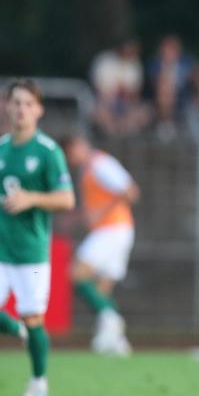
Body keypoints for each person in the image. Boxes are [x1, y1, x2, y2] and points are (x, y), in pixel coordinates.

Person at [0, 79, 75, 396]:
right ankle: (16, 330)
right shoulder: (1, 148)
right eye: (16, 102)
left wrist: (32, 198)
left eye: (28, 103)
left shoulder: (48, 152)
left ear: (39, 110)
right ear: (7, 106)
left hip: (31, 252)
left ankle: (39, 379)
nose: (21, 109)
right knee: (24, 323)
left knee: (34, 318)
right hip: (1, 248)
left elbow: (67, 199)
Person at [62, 135, 138, 356]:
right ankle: (117, 341)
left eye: (69, 154)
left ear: (77, 146)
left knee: (77, 273)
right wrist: (76, 218)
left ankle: (112, 320)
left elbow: (130, 191)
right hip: (117, 229)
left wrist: (100, 213)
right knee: (102, 288)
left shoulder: (100, 163)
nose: (70, 160)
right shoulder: (89, 168)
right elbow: (95, 207)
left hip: (112, 229)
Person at [146, 34, 199, 140]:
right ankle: (166, 124)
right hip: (159, 101)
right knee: (165, 91)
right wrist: (167, 67)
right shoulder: (155, 64)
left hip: (184, 99)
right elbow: (158, 83)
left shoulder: (186, 62)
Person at [90, 37, 152, 136]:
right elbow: (99, 89)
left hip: (127, 103)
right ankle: (113, 135)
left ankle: (124, 136)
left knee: (144, 113)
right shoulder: (104, 61)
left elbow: (135, 92)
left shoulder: (135, 63)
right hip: (105, 102)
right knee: (100, 112)